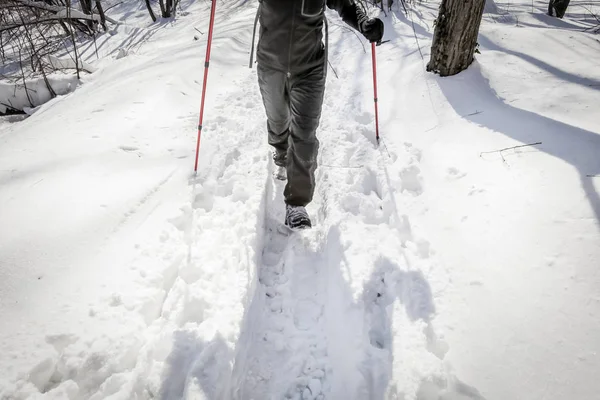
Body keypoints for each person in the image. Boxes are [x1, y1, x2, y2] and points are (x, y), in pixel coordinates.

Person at [252, 0, 384, 229]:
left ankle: (297, 203)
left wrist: (363, 23)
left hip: (309, 68)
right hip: (271, 64)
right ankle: (282, 152)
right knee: (278, 120)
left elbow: (346, 6)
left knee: (304, 133)